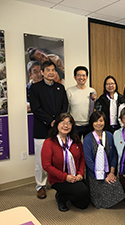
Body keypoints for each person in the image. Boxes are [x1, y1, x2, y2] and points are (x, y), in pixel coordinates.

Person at [29, 61, 68, 199]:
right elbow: (36, 109)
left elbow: (65, 105)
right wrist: (51, 121)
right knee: (40, 161)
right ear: (42, 72)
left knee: (57, 158)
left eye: (53, 70)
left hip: (58, 130)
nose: (51, 72)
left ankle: (55, 181)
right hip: (41, 129)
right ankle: (40, 186)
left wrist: (58, 122)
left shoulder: (60, 88)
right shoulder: (35, 88)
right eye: (48, 70)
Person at [41, 113, 89, 212]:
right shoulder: (49, 142)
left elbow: (82, 158)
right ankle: (61, 198)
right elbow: (46, 165)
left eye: (69, 123)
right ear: (57, 124)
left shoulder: (75, 139)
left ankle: (65, 194)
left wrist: (80, 173)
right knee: (82, 191)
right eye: (63, 122)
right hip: (59, 179)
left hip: (75, 176)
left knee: (83, 204)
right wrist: (65, 177)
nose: (66, 126)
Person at [83, 111, 125, 208]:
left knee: (115, 186)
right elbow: (89, 161)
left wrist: (111, 172)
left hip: (108, 171)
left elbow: (114, 155)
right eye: (96, 121)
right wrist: (102, 175)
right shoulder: (87, 138)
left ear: (105, 122)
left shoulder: (110, 136)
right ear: (92, 123)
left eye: (101, 121)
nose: (99, 123)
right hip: (94, 173)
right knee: (104, 190)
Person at [67, 66, 97, 139]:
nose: (81, 77)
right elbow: (67, 109)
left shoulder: (92, 91)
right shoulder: (69, 91)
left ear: (87, 77)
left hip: (89, 125)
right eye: (79, 75)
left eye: (83, 75)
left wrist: (95, 100)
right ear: (75, 77)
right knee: (75, 146)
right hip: (75, 125)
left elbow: (95, 108)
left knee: (88, 146)